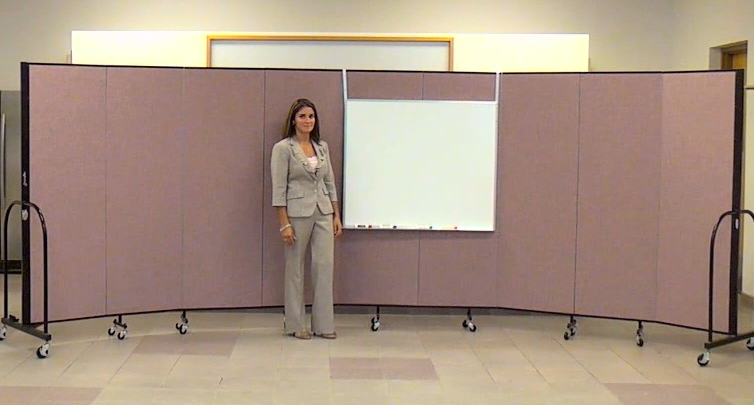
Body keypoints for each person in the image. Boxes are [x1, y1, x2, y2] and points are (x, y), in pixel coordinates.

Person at [270, 98, 343, 340]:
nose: (307, 120)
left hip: (323, 211)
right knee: (295, 269)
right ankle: (295, 324)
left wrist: (336, 214)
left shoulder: (322, 146)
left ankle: (323, 324)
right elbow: (279, 188)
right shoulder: (283, 149)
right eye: (302, 116)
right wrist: (284, 223)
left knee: (324, 267)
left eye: (311, 116)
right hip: (297, 213)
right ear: (293, 120)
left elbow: (330, 181)